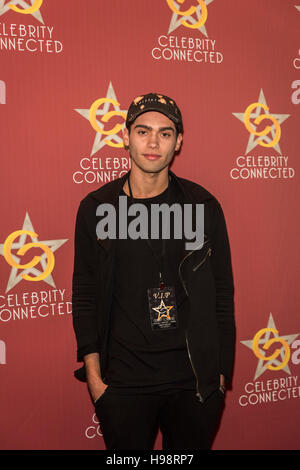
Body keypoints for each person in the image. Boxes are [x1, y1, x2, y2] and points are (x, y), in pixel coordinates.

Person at [72, 93, 235, 450]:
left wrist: (220, 376)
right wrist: (96, 379)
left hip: (193, 384)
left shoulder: (202, 206)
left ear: (178, 142)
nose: (152, 142)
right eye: (143, 130)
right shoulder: (97, 209)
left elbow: (222, 292)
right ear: (126, 136)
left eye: (165, 133)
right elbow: (84, 293)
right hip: (124, 384)